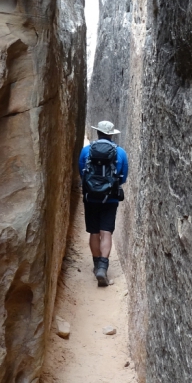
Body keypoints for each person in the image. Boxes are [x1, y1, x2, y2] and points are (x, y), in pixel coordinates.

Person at [78, 120, 129, 287]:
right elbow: (123, 177)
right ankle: (103, 268)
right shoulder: (120, 153)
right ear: (112, 134)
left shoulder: (86, 151)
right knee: (106, 232)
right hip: (110, 198)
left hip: (90, 197)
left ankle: (95, 266)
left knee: (94, 232)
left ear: (97, 133)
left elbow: (81, 172)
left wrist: (94, 186)